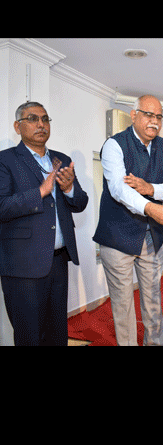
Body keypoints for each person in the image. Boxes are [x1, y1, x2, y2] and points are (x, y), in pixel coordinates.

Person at [93, 95, 163, 346]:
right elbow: (119, 189)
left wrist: (150, 188)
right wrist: (151, 207)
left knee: (153, 302)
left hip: (151, 238)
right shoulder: (114, 145)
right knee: (122, 306)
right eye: (148, 115)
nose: (155, 121)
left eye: (159, 117)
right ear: (133, 115)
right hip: (117, 237)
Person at [0, 102, 89, 345]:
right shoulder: (5, 160)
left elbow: (80, 203)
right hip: (23, 265)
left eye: (45, 119)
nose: (41, 124)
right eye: (32, 119)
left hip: (58, 260)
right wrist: (40, 191)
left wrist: (69, 189)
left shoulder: (62, 159)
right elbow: (2, 206)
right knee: (30, 335)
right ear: (17, 126)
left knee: (57, 333)